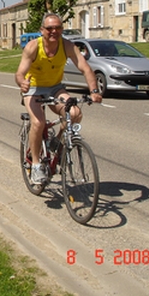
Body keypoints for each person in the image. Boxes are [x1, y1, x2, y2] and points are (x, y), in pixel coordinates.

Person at [15, 13, 102, 185]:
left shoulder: (67, 46)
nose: (54, 31)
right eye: (49, 28)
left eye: (58, 28)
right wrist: (22, 83)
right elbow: (19, 73)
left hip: (55, 88)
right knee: (38, 123)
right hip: (33, 88)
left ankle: (58, 142)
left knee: (75, 113)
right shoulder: (33, 47)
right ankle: (37, 165)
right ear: (42, 30)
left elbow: (85, 68)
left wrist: (94, 91)